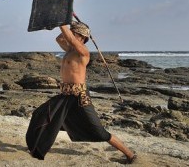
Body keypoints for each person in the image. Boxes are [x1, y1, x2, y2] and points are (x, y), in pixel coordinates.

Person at [25, 21, 137, 164]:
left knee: (100, 132)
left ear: (81, 37)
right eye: (71, 32)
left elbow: (69, 38)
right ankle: (37, 147)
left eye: (73, 33)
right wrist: (68, 25)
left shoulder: (82, 52)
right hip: (65, 96)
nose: (69, 35)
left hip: (80, 98)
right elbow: (59, 39)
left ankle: (130, 155)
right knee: (40, 115)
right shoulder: (69, 50)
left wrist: (62, 22)